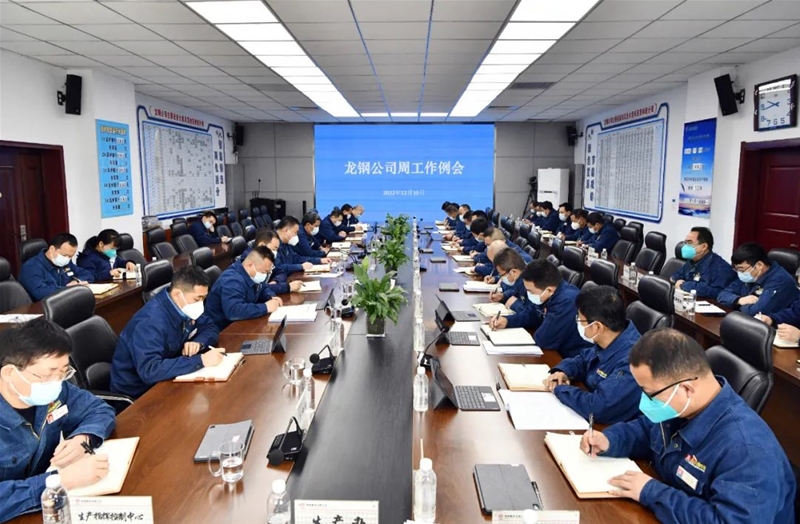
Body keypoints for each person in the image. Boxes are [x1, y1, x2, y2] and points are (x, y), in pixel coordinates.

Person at [580, 328, 795, 524]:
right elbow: (648, 430)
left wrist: (651, 492)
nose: (644, 401)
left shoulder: (748, 451)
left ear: (687, 389)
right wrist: (610, 440)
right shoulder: (683, 407)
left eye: (649, 394)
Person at [0, 318, 116, 521]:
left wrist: (84, 439)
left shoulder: (55, 390)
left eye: (63, 372)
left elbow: (98, 409)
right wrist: (60, 481)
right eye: (48, 374)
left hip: (50, 510)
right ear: (9, 373)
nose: (56, 383)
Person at [110, 266, 223, 398]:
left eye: (204, 299)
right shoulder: (149, 323)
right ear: (177, 294)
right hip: (139, 393)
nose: (200, 304)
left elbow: (210, 327)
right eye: (197, 299)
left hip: (168, 379)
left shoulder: (183, 307)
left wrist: (198, 342)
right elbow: (150, 370)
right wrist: (201, 360)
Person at [545, 286, 641, 424]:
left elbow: (598, 407)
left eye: (580, 320)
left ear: (597, 327)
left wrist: (559, 389)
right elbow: (583, 359)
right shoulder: (610, 338)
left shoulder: (633, 361)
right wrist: (563, 371)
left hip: (611, 429)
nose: (578, 323)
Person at [490, 259, 592, 358]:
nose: (528, 294)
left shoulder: (567, 301)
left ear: (549, 290)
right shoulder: (549, 293)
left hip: (571, 357)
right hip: (557, 351)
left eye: (531, 291)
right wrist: (507, 321)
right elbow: (532, 313)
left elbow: (543, 340)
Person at [204, 246, 283, 331]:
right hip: (222, 329)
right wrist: (265, 307)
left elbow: (262, 287)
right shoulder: (232, 280)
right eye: (264, 272)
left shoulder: (252, 274)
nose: (265, 275)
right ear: (250, 265)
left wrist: (270, 296)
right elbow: (233, 311)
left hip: (240, 322)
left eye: (268, 272)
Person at [717, 242, 799, 316]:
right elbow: (722, 295)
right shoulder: (750, 276)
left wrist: (737, 306)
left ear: (759, 265)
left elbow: (757, 312)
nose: (740, 273)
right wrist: (739, 300)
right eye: (737, 269)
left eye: (741, 269)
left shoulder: (780, 280)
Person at [19, 233, 95, 301]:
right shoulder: (31, 267)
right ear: (52, 249)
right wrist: (70, 289)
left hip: (65, 302)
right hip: (42, 308)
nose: (67, 259)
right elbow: (41, 293)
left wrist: (77, 282)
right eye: (64, 255)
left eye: (70, 256)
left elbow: (88, 275)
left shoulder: (66, 262)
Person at [670, 227, 735, 299]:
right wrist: (678, 281)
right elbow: (675, 276)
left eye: (689, 243)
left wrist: (684, 285)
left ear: (704, 246)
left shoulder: (721, 268)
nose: (685, 246)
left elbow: (717, 293)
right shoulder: (692, 260)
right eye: (685, 242)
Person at [490, 248, 534, 315]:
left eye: (501, 275)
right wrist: (503, 296)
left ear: (514, 272)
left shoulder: (530, 283)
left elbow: (532, 314)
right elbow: (514, 290)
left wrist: (514, 304)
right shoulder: (520, 278)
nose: (501, 278)